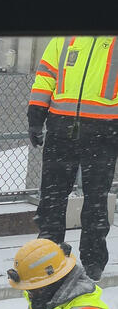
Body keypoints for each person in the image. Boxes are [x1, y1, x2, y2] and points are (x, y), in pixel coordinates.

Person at [27, 36, 118, 282]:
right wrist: (36, 113)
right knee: (52, 197)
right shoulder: (64, 38)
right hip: (61, 128)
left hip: (105, 131)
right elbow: (46, 75)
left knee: (96, 201)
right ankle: (48, 254)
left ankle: (93, 261)